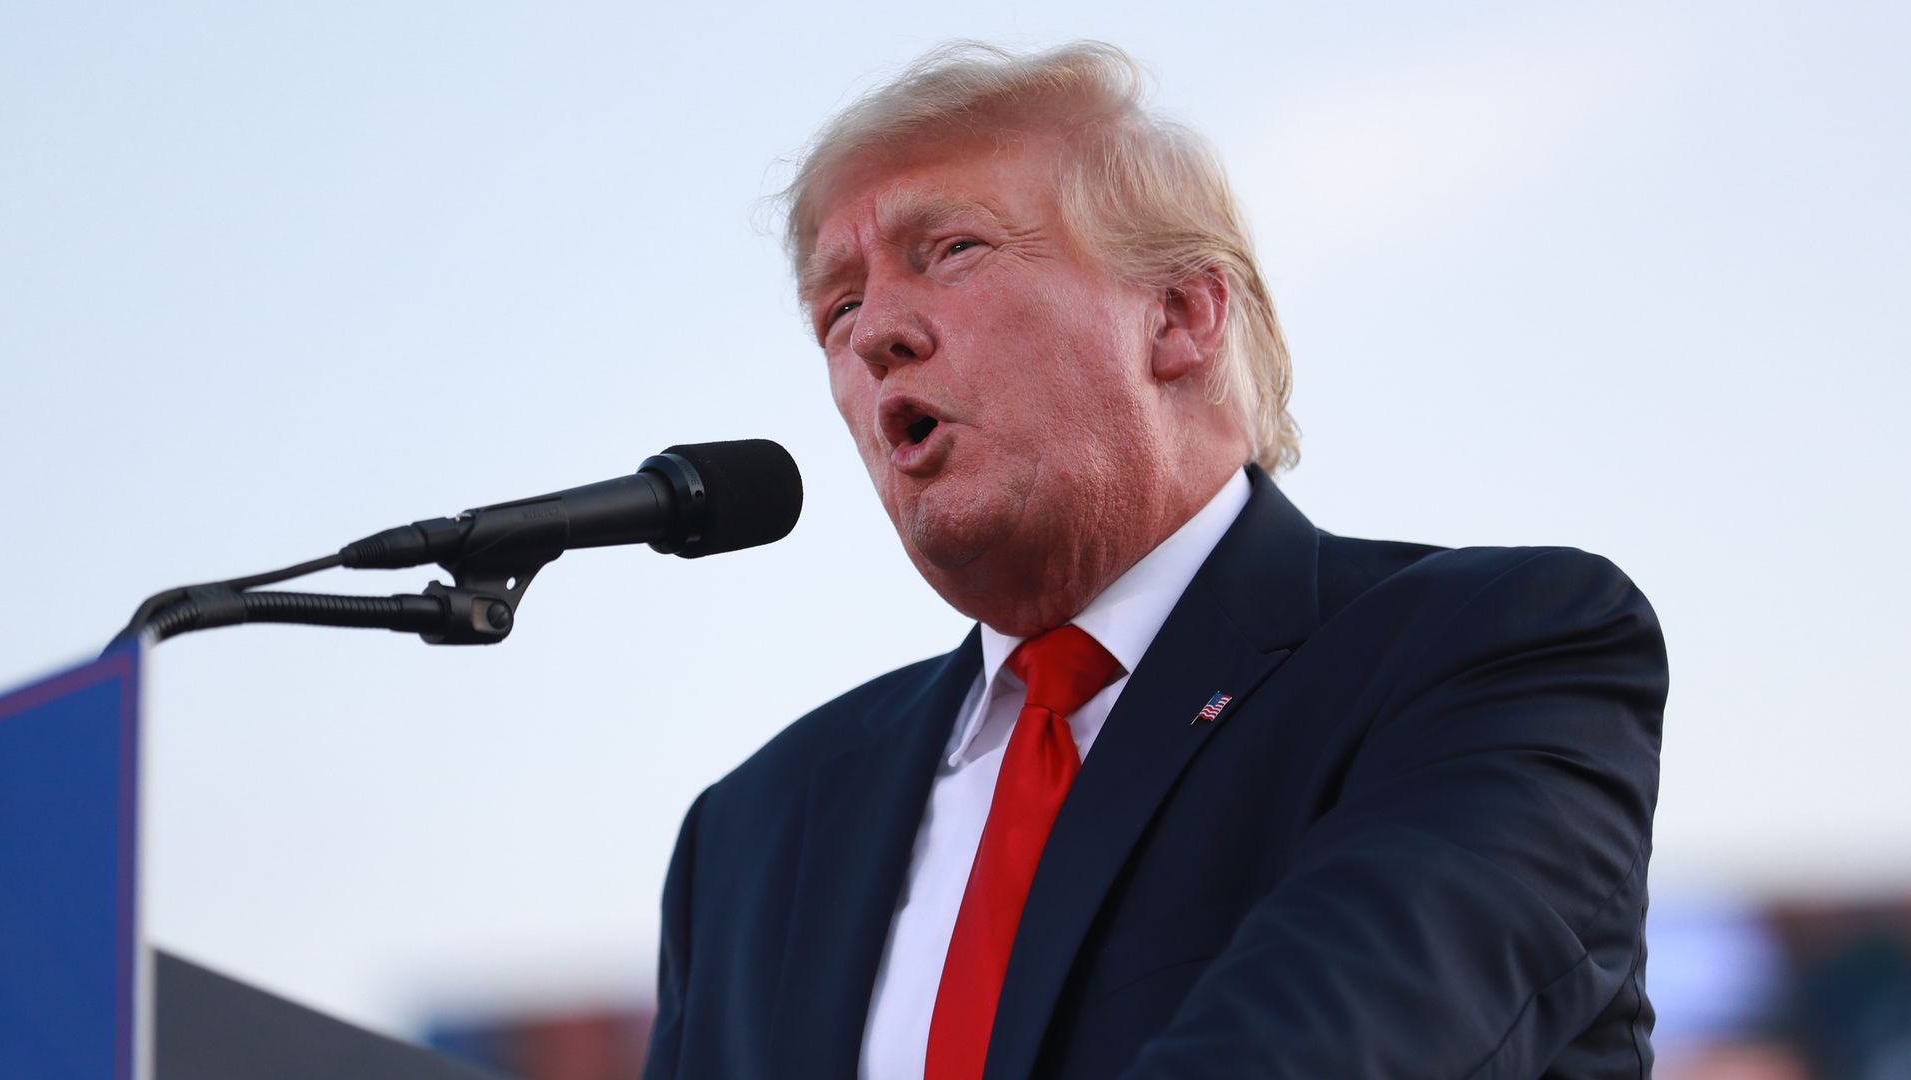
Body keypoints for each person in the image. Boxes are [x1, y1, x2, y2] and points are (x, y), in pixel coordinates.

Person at [643, 41, 1666, 1080]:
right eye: (840, 307)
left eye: (951, 250)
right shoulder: (750, 837)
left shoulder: (1489, 651)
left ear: (1179, 314)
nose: (876, 337)